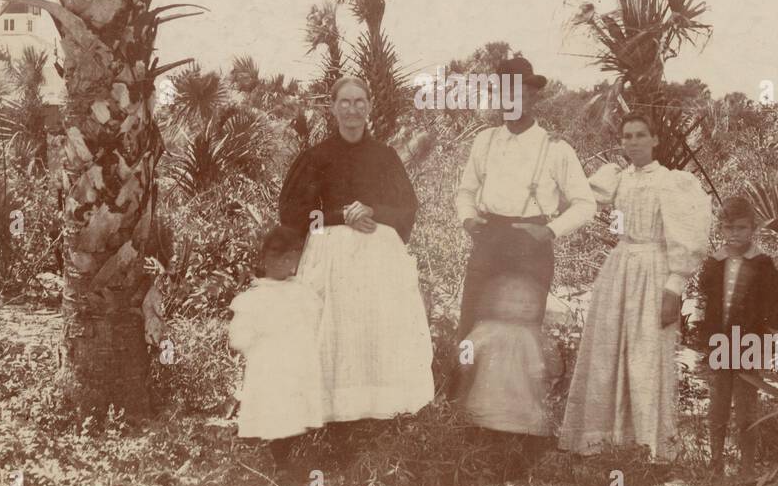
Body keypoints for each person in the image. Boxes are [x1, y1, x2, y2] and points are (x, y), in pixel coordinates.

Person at [452, 55, 596, 440]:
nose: (510, 99)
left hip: (531, 244)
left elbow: (585, 203)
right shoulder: (484, 141)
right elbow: (466, 191)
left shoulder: (555, 148)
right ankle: (464, 423)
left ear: (532, 97)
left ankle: (518, 436)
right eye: (503, 92)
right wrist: (469, 219)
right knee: (472, 328)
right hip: (488, 239)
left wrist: (549, 231)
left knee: (522, 337)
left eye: (518, 92)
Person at [278, 76, 433, 423]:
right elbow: (293, 216)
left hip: (379, 261)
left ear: (369, 106)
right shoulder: (316, 157)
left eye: (359, 102)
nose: (352, 110)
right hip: (330, 259)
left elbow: (407, 210)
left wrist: (373, 211)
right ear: (332, 108)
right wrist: (338, 216)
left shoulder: (386, 156)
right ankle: (335, 416)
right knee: (336, 333)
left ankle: (380, 412)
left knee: (376, 330)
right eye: (345, 102)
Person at [558, 114, 712, 461]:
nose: (633, 142)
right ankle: (605, 445)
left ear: (656, 140)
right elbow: (577, 198)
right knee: (608, 352)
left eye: (641, 135)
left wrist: (674, 287)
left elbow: (686, 238)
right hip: (619, 270)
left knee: (647, 354)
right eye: (627, 136)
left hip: (654, 271)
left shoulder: (672, 183)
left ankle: (649, 448)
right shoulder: (617, 178)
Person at [227, 226, 325, 484]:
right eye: (277, 257)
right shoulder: (255, 298)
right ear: (265, 260)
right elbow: (239, 338)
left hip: (298, 364)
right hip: (271, 366)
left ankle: (287, 460)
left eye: (290, 257)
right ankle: (282, 467)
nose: (285, 263)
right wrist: (263, 345)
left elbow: (315, 324)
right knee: (278, 411)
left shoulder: (302, 293)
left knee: (294, 411)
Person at [694, 195, 778, 478]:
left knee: (746, 407)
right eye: (729, 228)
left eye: (742, 228)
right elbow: (704, 303)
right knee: (718, 404)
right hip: (719, 343)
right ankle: (715, 461)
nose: (735, 234)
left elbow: (773, 306)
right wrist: (704, 342)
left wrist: (766, 341)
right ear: (721, 229)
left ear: (753, 228)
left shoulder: (763, 264)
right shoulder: (713, 263)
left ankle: (747, 466)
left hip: (749, 344)